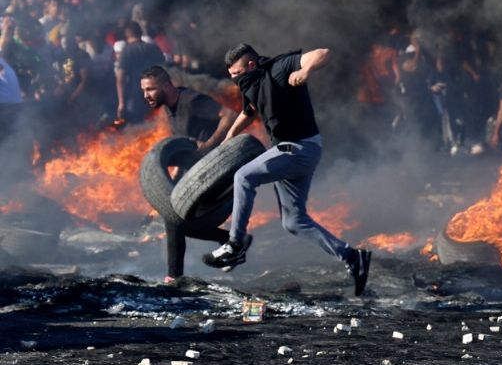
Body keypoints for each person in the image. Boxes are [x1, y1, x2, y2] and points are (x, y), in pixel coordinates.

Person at [203, 44, 372, 296]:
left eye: (237, 73)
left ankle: (235, 244)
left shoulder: (278, 68)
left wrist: (306, 71)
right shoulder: (251, 83)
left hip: (300, 148)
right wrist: (229, 136)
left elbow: (324, 53)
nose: (236, 79)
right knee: (293, 221)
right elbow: (248, 111)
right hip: (291, 150)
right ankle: (352, 257)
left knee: (244, 177)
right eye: (232, 76)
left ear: (251, 65)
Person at [140, 65, 239, 282]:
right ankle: (224, 239)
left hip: (215, 170)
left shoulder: (191, 100)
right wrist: (168, 185)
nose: (146, 95)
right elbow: (182, 146)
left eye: (151, 89)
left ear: (166, 86)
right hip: (194, 171)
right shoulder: (169, 107)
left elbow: (229, 115)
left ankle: (174, 276)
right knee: (174, 219)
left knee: (175, 220)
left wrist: (209, 146)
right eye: (144, 91)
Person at [116, 21, 164, 124]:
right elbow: (165, 71)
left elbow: (120, 79)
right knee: (156, 124)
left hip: (135, 97)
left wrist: (121, 103)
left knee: (137, 128)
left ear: (126, 35)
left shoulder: (126, 52)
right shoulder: (153, 48)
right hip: (156, 94)